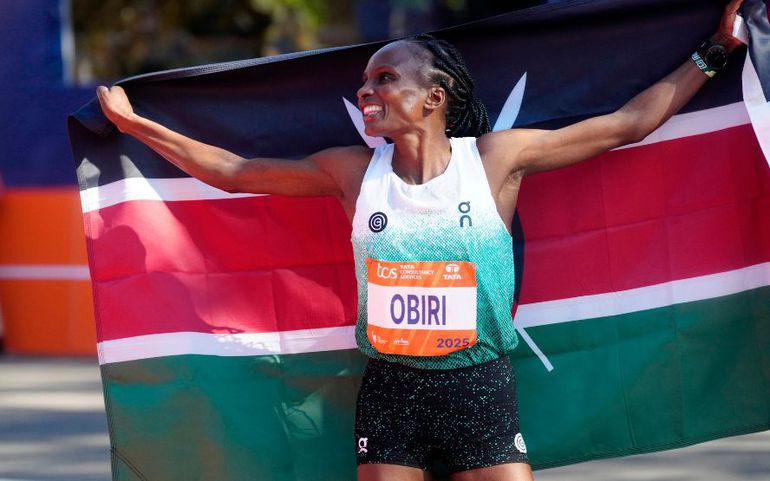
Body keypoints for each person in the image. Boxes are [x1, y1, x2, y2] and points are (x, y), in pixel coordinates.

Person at [96, 2, 745, 479]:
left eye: (385, 79)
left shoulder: (494, 160)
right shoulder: (351, 172)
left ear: (435, 96)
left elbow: (626, 125)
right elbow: (232, 174)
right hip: (391, 390)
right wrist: (136, 125)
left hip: (480, 387)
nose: (366, 90)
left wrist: (714, 51)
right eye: (366, 81)